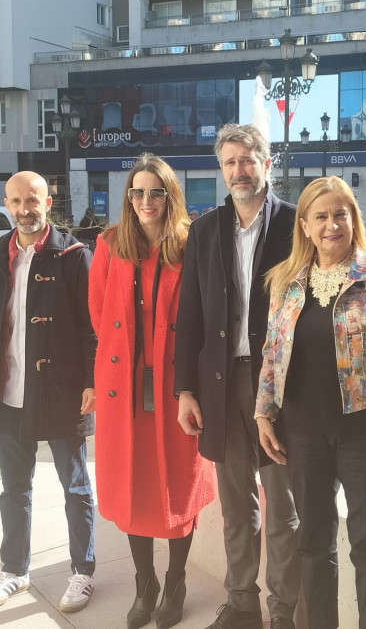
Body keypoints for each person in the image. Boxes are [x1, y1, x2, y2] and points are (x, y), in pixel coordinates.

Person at [255, 176, 366, 629]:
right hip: (302, 433)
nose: (331, 225)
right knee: (312, 543)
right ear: (304, 225)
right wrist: (263, 412)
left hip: (365, 433)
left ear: (354, 219)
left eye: (340, 214)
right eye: (321, 216)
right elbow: (272, 353)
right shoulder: (285, 282)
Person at [174, 123, 300, 629]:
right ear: (220, 170)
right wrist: (186, 388)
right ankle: (242, 603)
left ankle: (285, 610)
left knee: (282, 506)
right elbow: (190, 315)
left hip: (281, 387)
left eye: (247, 160)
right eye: (229, 162)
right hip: (221, 385)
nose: (238, 170)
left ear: (266, 164)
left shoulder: (295, 223)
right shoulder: (205, 230)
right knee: (236, 503)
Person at [90, 154, 216, 629]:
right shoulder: (108, 245)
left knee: (177, 482)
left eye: (156, 192)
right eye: (137, 192)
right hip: (123, 388)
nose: (146, 201)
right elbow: (99, 314)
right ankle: (146, 584)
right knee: (131, 484)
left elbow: (203, 317)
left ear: (170, 196)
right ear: (128, 197)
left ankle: (177, 580)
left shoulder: (192, 245)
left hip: (176, 386)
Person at [0, 171, 97, 612]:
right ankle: (15, 571)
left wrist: (92, 382)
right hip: (9, 393)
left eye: (33, 201)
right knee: (13, 490)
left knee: (74, 486)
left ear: (48, 203)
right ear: (7, 204)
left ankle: (83, 571)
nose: (25, 209)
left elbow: (92, 329)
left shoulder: (74, 256)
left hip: (61, 392)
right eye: (17, 201)